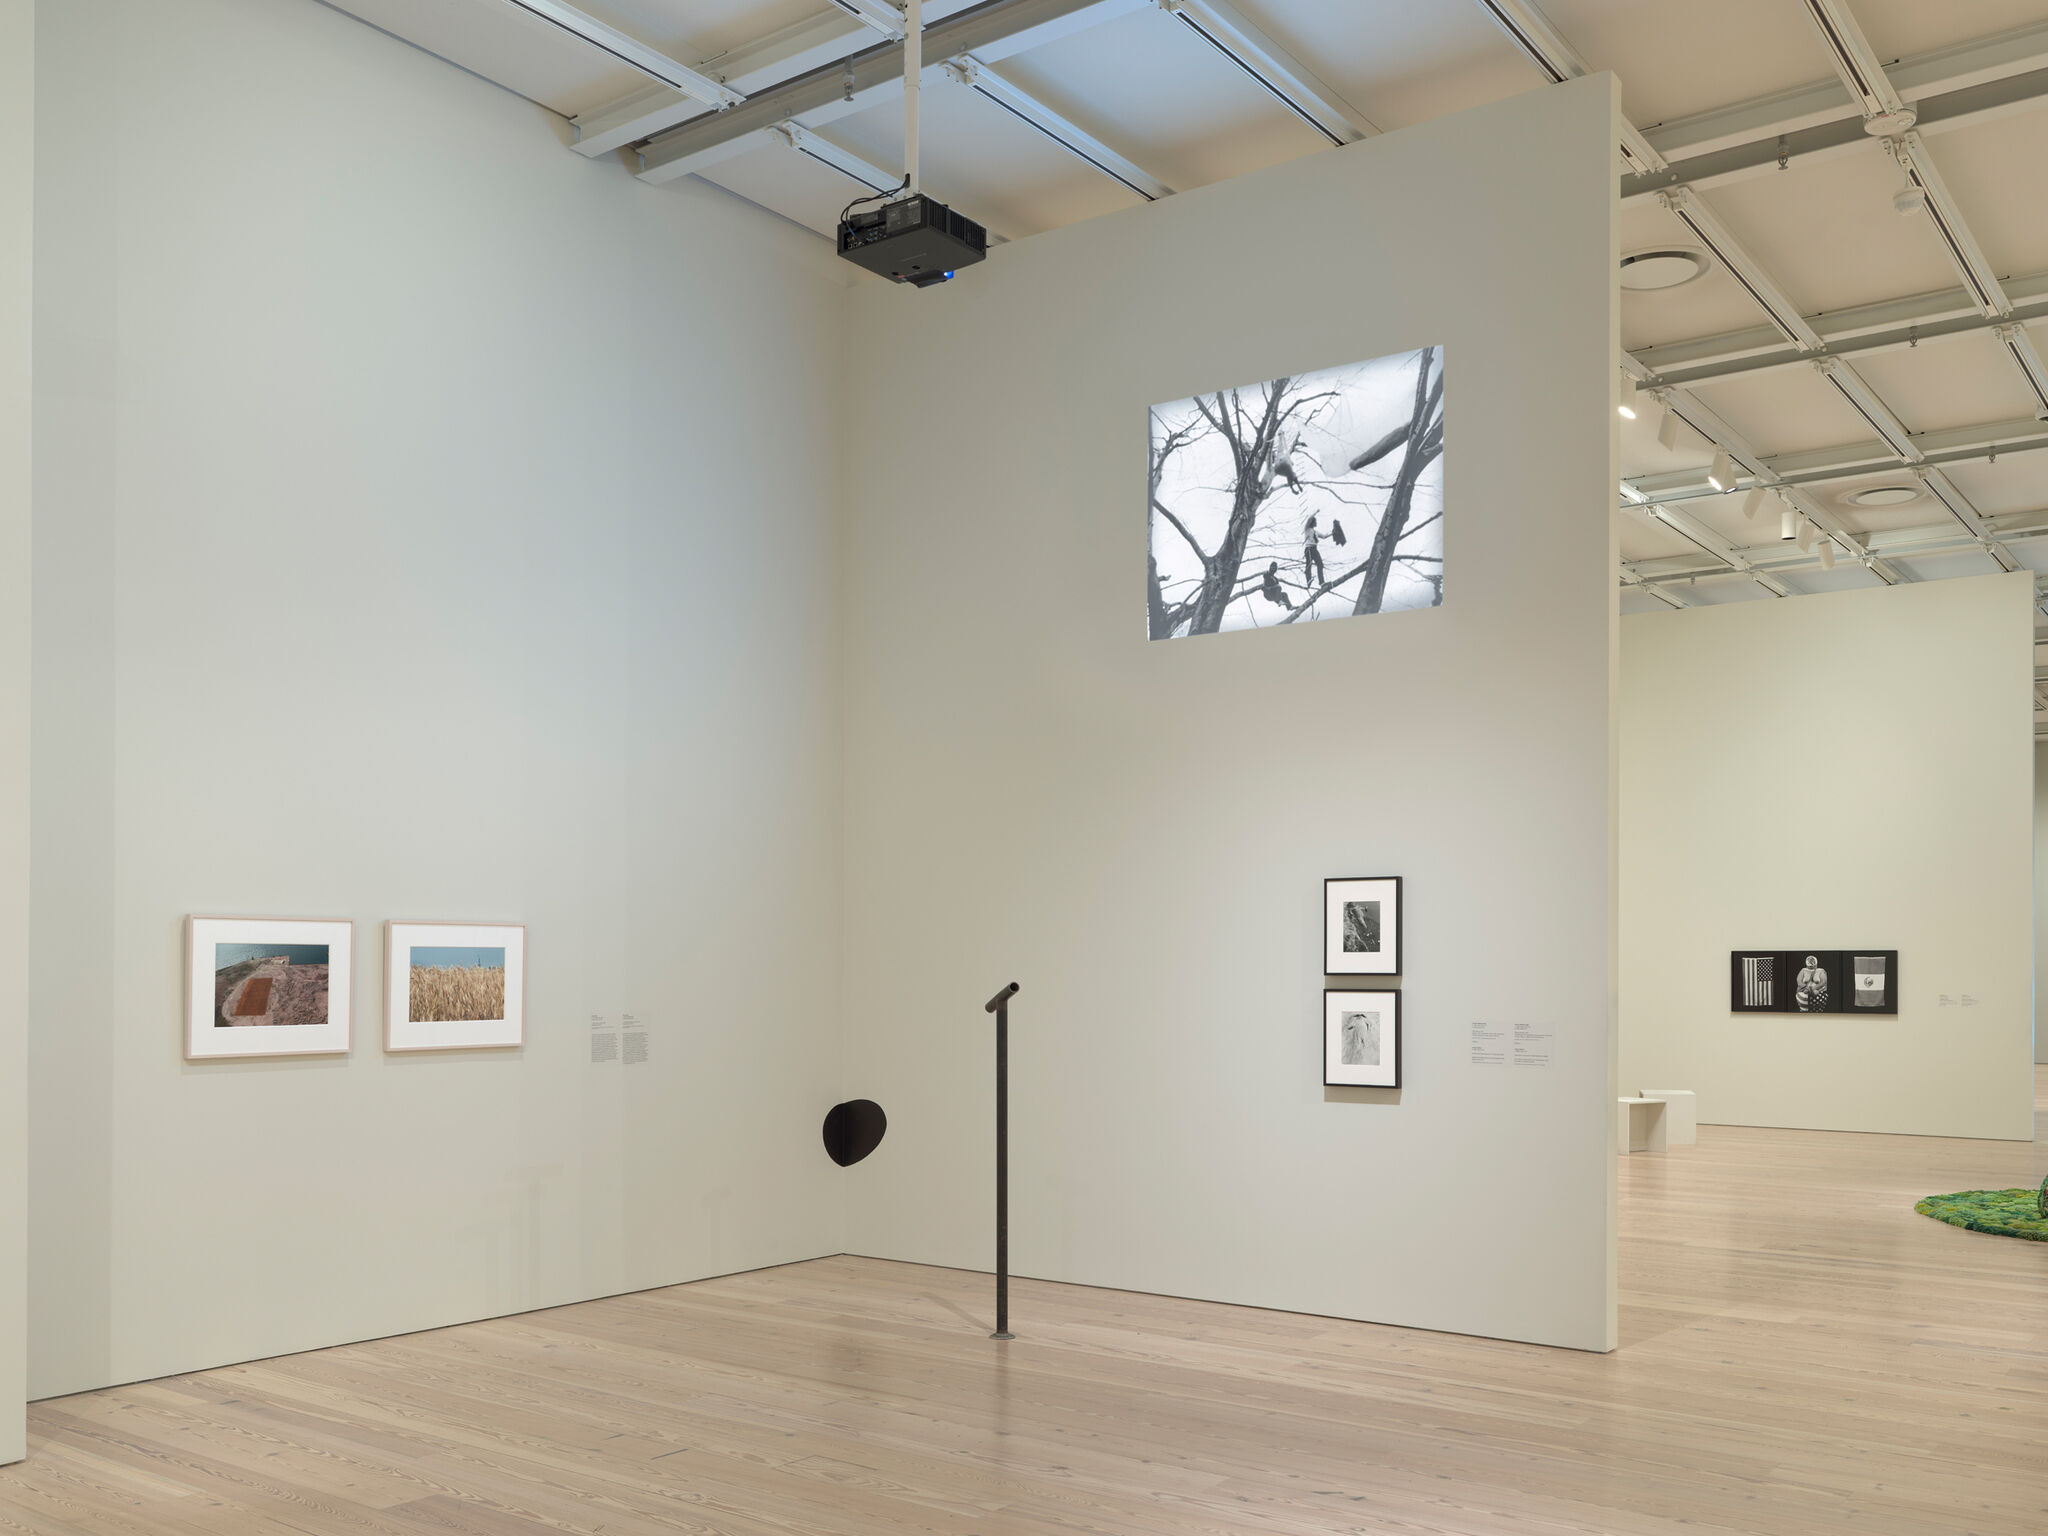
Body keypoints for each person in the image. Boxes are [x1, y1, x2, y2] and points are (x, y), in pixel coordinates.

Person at [1302, 515, 1326, 588]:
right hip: (1309, 549)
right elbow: (1309, 520)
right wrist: (1316, 512)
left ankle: (1322, 582)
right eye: (1315, 521)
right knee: (1309, 565)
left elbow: (1324, 536)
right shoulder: (1307, 529)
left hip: (1314, 549)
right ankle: (1308, 580)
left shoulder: (1315, 532)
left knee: (1320, 564)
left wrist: (1332, 532)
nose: (1316, 523)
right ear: (1312, 522)